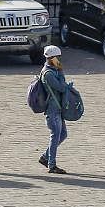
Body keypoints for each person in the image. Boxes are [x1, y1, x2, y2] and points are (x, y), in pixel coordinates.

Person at [38, 45, 70, 175]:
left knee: (62, 135)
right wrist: (61, 71)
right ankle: (52, 165)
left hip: (57, 108)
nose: (59, 60)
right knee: (55, 136)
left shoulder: (53, 70)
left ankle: (45, 157)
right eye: (57, 57)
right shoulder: (49, 74)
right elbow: (62, 87)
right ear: (51, 58)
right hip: (52, 109)